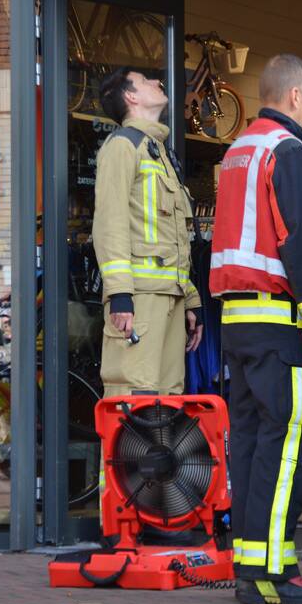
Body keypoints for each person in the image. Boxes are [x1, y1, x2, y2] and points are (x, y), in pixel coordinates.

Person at [210, 54, 302, 604]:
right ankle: (268, 576)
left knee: (252, 445)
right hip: (280, 325)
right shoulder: (288, 151)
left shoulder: (238, 151)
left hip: (238, 324)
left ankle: (259, 559)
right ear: (292, 96)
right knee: (291, 444)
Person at [92, 66, 203, 400]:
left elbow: (176, 236)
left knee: (168, 398)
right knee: (132, 396)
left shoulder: (159, 153)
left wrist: (190, 298)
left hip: (169, 296)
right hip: (139, 300)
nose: (158, 83)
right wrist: (120, 295)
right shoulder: (122, 147)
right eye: (145, 81)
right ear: (131, 96)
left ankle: (159, 456)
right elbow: (109, 224)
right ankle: (131, 457)